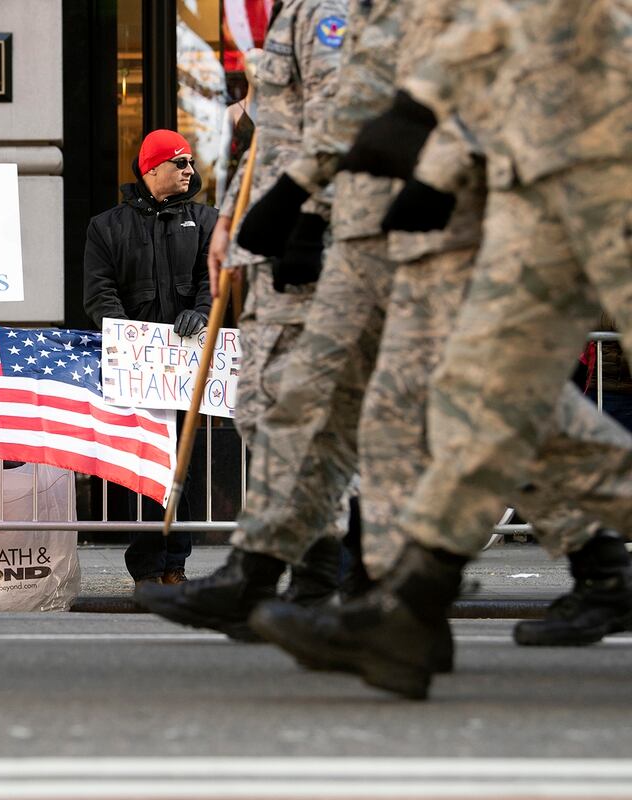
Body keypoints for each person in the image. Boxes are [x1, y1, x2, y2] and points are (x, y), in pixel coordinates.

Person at [250, 0, 632, 699]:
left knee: (488, 397)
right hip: (529, 166)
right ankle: (407, 611)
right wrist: (427, 156)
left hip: (606, 147)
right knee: (477, 390)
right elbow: (484, 32)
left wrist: (423, 129)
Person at [135, 0, 347, 629]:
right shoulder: (273, 24)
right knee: (262, 405)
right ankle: (284, 574)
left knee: (315, 414)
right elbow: (266, 138)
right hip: (269, 249)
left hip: (326, 243)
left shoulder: (323, 15)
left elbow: (341, 121)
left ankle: (307, 575)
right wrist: (227, 217)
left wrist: (300, 210)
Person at [82, 129, 217, 588]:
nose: (189, 171)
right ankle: (145, 566)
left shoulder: (207, 221)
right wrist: (126, 337)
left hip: (186, 368)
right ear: (151, 168)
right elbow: (99, 293)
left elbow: (213, 281)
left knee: (184, 465)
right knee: (140, 465)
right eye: (179, 163)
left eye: (191, 163)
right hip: (133, 368)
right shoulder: (107, 227)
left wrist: (201, 313)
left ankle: (175, 564)